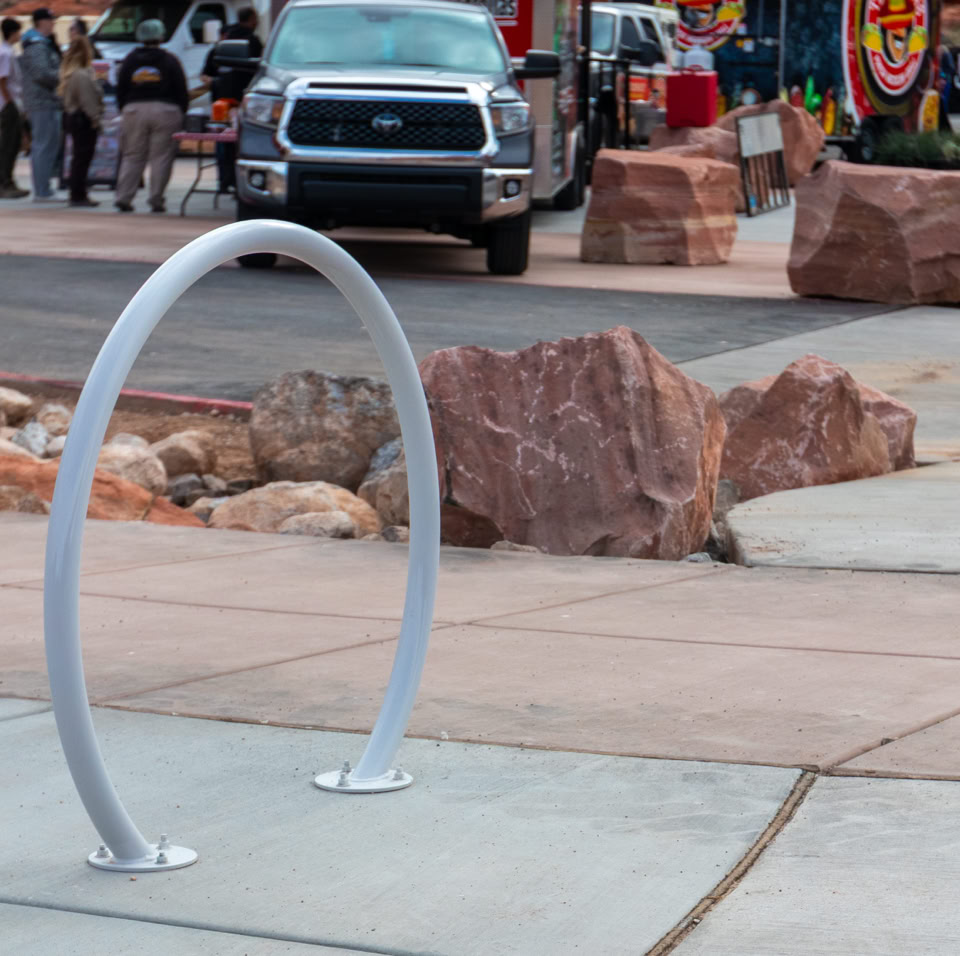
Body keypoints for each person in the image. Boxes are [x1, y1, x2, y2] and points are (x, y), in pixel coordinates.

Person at [114, 19, 187, 213]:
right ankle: (156, 199)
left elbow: (121, 88)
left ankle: (124, 197)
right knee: (161, 157)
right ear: (161, 36)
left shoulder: (130, 60)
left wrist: (125, 108)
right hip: (166, 110)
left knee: (132, 155)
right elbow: (181, 89)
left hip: (134, 109)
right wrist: (181, 111)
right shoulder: (170, 60)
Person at [200, 8, 262, 192]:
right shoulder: (252, 41)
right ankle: (240, 182)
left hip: (220, 104)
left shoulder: (221, 45)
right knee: (242, 142)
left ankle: (224, 180)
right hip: (243, 102)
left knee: (222, 141)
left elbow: (205, 75)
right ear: (251, 19)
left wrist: (215, 82)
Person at [19, 7, 62, 202]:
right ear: (41, 22)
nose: (53, 24)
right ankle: (42, 191)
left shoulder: (40, 43)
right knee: (43, 146)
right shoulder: (37, 45)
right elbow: (41, 73)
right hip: (41, 101)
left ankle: (44, 189)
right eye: (51, 20)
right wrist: (64, 76)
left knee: (46, 145)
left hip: (45, 101)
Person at [59, 35, 102, 206]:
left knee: (79, 157)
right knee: (83, 158)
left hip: (73, 118)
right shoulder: (82, 75)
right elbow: (88, 101)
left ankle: (77, 192)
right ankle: (78, 194)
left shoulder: (70, 73)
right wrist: (96, 120)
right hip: (83, 120)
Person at [0, 17, 28, 198]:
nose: (20, 35)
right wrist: (9, 102)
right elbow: (2, 80)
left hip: (12, 102)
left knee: (13, 143)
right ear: (12, 33)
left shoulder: (8, 51)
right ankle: (4, 183)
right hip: (8, 104)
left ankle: (8, 181)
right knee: (8, 145)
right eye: (18, 31)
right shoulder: (5, 53)